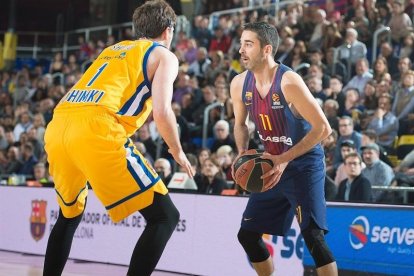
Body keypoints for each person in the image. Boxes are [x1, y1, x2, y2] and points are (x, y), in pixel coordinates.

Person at [42, 1, 194, 275]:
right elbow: (161, 111)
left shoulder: (113, 49)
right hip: (97, 128)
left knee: (69, 215)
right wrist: (177, 150)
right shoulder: (164, 55)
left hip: (59, 124)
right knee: (165, 217)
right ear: (169, 30)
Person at [230, 22, 337, 276]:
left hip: (303, 165)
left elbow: (324, 128)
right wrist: (242, 153)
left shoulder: (289, 82)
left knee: (313, 238)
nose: (241, 50)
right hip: (270, 164)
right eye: (241, 43)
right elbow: (240, 125)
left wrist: (285, 158)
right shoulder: (239, 84)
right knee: (247, 235)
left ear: (266, 49)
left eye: (248, 44)